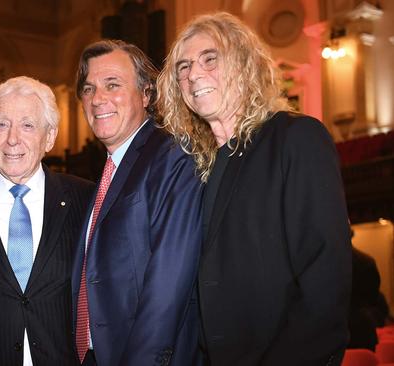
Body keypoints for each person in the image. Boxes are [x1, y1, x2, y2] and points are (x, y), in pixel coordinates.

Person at [157, 12, 351, 365]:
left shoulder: (296, 137)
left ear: (244, 63)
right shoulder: (200, 165)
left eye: (209, 59)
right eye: (183, 67)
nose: (193, 74)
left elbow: (325, 280)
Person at [72, 40, 203, 366]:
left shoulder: (173, 157)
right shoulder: (108, 171)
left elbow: (168, 288)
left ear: (147, 94)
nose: (97, 98)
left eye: (112, 85)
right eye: (88, 89)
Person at [0, 76, 94, 365]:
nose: (12, 139)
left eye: (27, 125)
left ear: (50, 137)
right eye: (2, 124)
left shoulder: (85, 199)